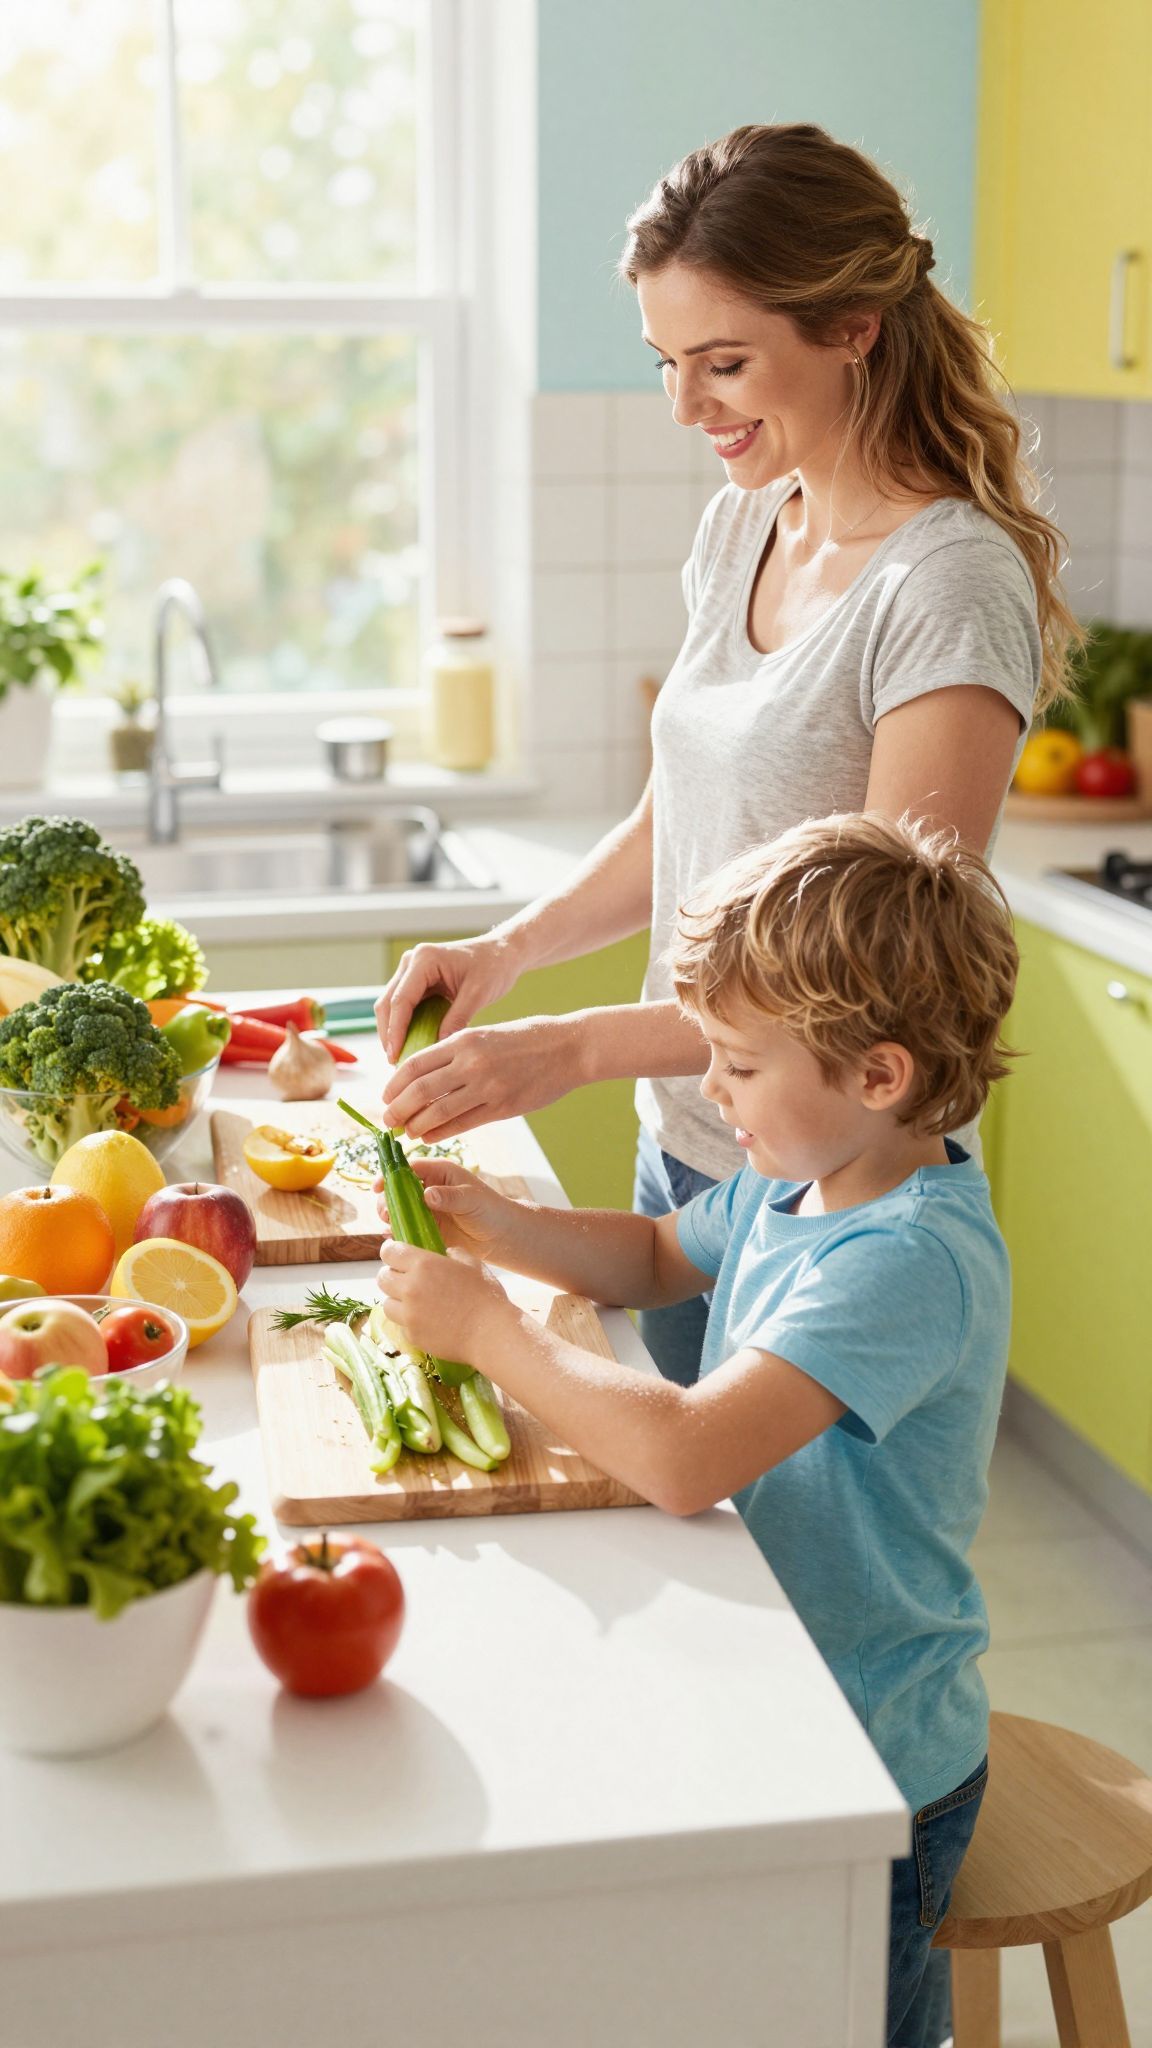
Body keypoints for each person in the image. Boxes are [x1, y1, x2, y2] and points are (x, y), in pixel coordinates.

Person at [376, 120, 1074, 1387]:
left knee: (769, 1551)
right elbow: (677, 823)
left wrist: (575, 1046)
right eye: (665, 361)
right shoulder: (745, 523)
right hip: (698, 1146)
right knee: (689, 1535)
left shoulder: (949, 584)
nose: (687, 405)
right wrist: (508, 949)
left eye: (726, 362)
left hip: (834, 1182)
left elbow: (886, 970)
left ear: (854, 325)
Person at [376, 810, 1018, 2048]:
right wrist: (495, 1224)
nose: (709, 1092)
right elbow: (662, 1254)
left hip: (875, 1754)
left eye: (735, 1063)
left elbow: (685, 1453)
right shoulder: (807, 1174)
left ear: (878, 1074)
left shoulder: (908, 1255)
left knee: (853, 2022)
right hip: (783, 1686)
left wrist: (492, 1333)